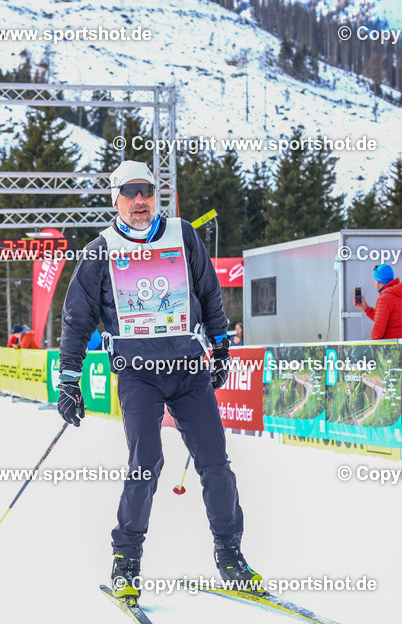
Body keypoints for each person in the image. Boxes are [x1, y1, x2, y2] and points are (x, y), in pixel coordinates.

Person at [57, 160, 259, 601]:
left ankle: (230, 554)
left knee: (215, 464)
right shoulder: (99, 251)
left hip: (188, 370)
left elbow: (208, 292)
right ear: (115, 200)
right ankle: (126, 562)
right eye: (129, 193)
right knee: (146, 465)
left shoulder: (182, 235)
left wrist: (221, 347)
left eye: (146, 191)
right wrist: (68, 380)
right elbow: (76, 320)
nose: (139, 200)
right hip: (138, 376)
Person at [355, 264, 402, 340]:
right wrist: (367, 309)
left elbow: (377, 332)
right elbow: (385, 318)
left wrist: (371, 340)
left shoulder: (385, 298)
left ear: (378, 281)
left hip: (392, 346)